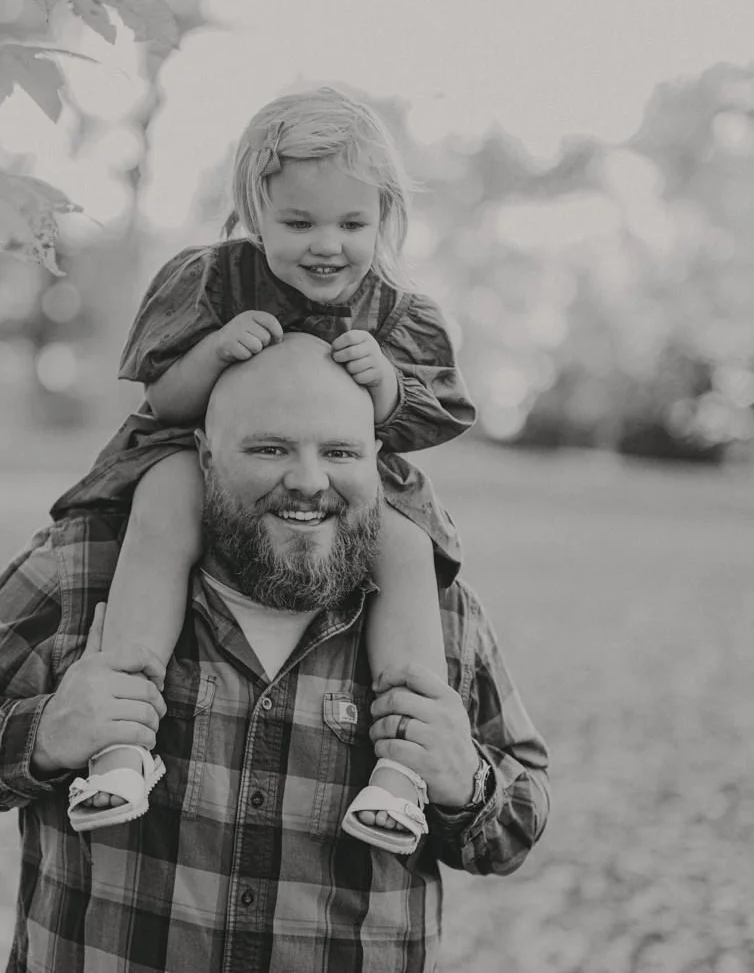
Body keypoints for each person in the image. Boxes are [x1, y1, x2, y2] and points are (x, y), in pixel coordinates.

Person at [0, 333, 550, 973]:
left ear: (376, 459)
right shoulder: (88, 568)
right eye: (270, 448)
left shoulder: (436, 616)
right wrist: (42, 737)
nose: (308, 480)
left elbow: (521, 815)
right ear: (205, 455)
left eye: (341, 452)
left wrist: (468, 782)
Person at [53, 86, 474, 853]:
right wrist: (216, 351)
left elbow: (426, 422)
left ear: (384, 218)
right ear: (254, 211)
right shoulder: (215, 282)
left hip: (357, 481)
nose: (327, 245)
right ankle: (121, 740)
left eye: (352, 224)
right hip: (206, 461)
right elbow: (164, 401)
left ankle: (405, 772)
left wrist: (382, 381)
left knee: (409, 549)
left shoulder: (397, 313)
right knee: (163, 508)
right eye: (299, 222)